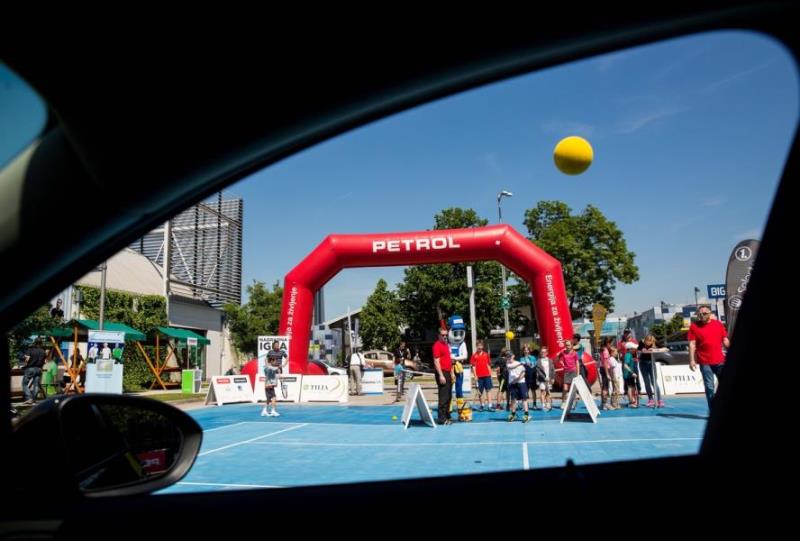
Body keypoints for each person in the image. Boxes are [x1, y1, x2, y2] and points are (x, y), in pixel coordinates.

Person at [689, 305, 729, 409]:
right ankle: (713, 410)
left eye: (704, 313)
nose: (702, 315)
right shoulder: (694, 326)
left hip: (720, 361)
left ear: (710, 314)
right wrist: (692, 360)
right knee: (709, 387)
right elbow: (692, 344)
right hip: (705, 362)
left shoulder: (718, 324)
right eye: (699, 314)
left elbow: (725, 340)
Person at [639, 334, 668, 407]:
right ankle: (650, 399)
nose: (648, 343)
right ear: (645, 340)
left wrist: (655, 350)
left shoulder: (655, 342)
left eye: (650, 341)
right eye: (647, 341)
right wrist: (645, 350)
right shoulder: (641, 342)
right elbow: (641, 350)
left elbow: (666, 349)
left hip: (651, 363)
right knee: (647, 382)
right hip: (643, 363)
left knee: (654, 382)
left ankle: (659, 400)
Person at [432, 327, 453, 425]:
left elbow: (449, 360)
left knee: (449, 396)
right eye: (443, 335)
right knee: (443, 396)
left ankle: (447, 415)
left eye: (446, 335)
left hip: (447, 372)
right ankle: (442, 418)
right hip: (442, 372)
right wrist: (441, 375)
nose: (445, 337)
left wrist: (451, 373)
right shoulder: (437, 345)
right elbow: (436, 361)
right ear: (439, 335)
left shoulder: (446, 345)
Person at [505, 352, 530, 423]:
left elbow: (523, 373)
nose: (509, 358)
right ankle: (513, 414)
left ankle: (526, 415)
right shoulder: (508, 364)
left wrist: (517, 379)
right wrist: (520, 364)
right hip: (512, 384)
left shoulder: (519, 363)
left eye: (510, 356)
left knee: (524, 399)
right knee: (513, 399)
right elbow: (511, 367)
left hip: (521, 383)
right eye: (508, 356)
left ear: (513, 356)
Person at [470, 340, 492, 411]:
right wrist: (475, 376)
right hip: (479, 377)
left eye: (481, 345)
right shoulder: (474, 356)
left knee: (488, 390)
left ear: (483, 346)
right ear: (476, 346)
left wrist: (490, 374)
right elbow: (473, 367)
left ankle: (490, 406)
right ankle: (482, 405)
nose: (479, 347)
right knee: (480, 392)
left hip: (487, 375)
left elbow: (488, 365)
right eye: (478, 345)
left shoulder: (486, 355)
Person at [22, 339, 46, 404]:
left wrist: (25, 362)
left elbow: (27, 359)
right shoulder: (43, 352)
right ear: (41, 344)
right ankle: (34, 399)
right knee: (36, 385)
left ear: (35, 343)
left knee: (24, 384)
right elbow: (44, 361)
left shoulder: (30, 350)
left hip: (30, 368)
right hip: (39, 369)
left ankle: (29, 398)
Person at [261, 349, 282, 417]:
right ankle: (273, 411)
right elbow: (272, 368)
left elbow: (275, 373)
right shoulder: (267, 368)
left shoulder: (272, 367)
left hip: (270, 385)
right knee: (274, 397)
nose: (276, 362)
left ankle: (264, 411)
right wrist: (278, 368)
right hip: (268, 385)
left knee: (268, 399)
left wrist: (279, 375)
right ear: (271, 361)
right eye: (275, 361)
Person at [535, 345, 554, 411]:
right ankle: (543, 405)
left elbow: (552, 370)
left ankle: (548, 404)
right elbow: (538, 371)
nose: (543, 353)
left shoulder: (550, 360)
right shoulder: (538, 361)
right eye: (542, 352)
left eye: (544, 352)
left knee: (548, 392)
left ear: (547, 353)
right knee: (543, 392)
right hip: (542, 379)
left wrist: (552, 378)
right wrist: (544, 377)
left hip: (549, 379)